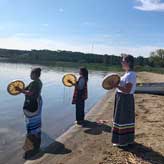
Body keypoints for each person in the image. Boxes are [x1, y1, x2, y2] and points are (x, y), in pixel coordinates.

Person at [16, 68, 43, 158]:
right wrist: (21, 89)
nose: (30, 75)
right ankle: (35, 140)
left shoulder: (35, 83)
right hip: (36, 102)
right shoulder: (37, 82)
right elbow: (26, 89)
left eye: (31, 74)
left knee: (32, 120)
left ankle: (33, 147)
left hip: (33, 104)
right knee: (35, 121)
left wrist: (20, 90)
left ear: (35, 74)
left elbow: (30, 93)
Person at [111, 55, 136, 147]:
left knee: (123, 119)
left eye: (123, 61)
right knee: (121, 119)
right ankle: (125, 140)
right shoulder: (127, 74)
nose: (121, 63)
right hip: (121, 98)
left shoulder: (131, 75)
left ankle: (123, 141)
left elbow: (127, 90)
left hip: (125, 99)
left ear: (128, 63)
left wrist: (116, 86)